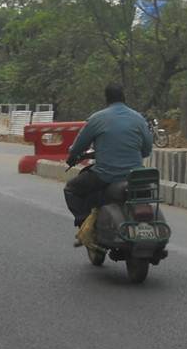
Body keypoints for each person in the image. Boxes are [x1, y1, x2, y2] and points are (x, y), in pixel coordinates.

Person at [64, 84, 153, 240]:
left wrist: (72, 155)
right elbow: (146, 150)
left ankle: (86, 226)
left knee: (71, 189)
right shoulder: (139, 119)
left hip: (106, 176)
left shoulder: (98, 118)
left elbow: (78, 146)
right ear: (124, 97)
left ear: (107, 99)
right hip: (136, 177)